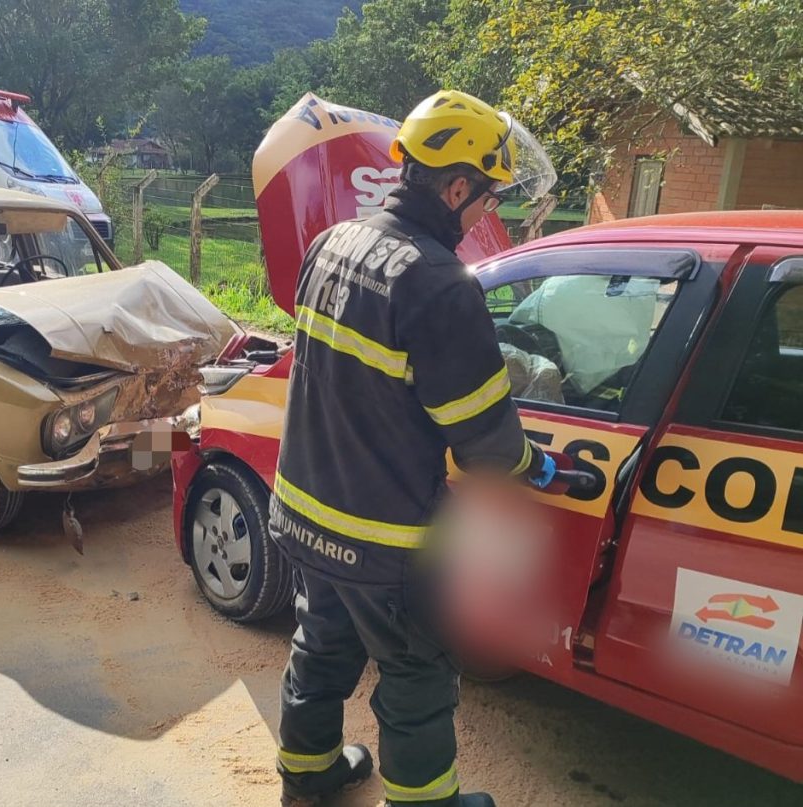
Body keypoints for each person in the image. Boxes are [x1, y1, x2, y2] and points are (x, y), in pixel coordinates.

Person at [268, 90, 559, 807]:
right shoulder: (438, 285)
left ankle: (307, 774)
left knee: (320, 648)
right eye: (486, 197)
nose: (485, 213)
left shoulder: (330, 242)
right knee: (416, 675)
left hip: (305, 511)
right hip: (385, 537)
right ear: (456, 186)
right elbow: (486, 439)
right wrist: (542, 466)